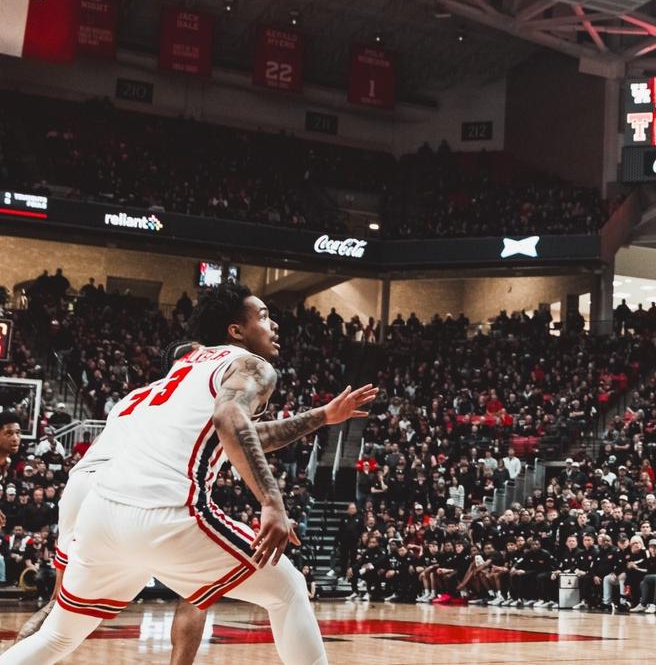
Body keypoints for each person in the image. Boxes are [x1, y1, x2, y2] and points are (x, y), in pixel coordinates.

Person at [0, 283, 376, 665]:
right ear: (235, 331)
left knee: (59, 635)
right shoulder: (250, 364)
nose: (273, 324)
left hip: (101, 512)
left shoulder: (178, 373)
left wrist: (323, 416)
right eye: (263, 316)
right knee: (289, 588)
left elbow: (243, 432)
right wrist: (271, 502)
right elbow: (231, 419)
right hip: (165, 510)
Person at [7, 340, 208, 662]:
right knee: (199, 592)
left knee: (58, 610)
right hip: (121, 488)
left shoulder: (136, 395)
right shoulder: (195, 394)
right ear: (192, 362)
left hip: (81, 483)